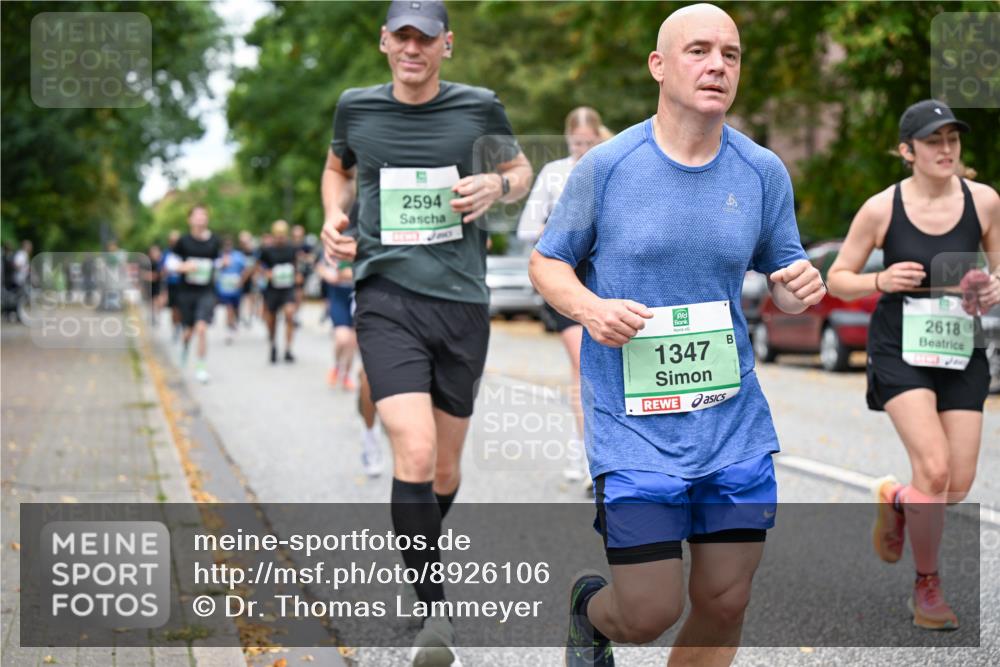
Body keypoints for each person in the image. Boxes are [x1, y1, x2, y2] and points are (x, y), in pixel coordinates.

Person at [528, 5, 826, 665]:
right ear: (659, 66)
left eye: (731, 53)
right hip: (635, 428)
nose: (718, 64)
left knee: (725, 600)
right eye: (699, 50)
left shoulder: (761, 172)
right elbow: (547, 262)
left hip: (732, 424)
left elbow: (780, 268)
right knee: (649, 610)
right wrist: (589, 308)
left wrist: (794, 282)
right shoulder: (607, 167)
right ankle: (590, 613)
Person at [319, 1, 532, 663]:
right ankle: (435, 613)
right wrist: (333, 216)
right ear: (385, 42)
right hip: (385, 298)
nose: (413, 48)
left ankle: (419, 554)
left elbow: (522, 172)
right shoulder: (356, 107)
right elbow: (337, 168)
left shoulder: (479, 107)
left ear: (447, 46)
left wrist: (497, 185)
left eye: (426, 38)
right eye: (402, 36)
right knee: (411, 453)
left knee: (443, 467)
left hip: (463, 304)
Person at [826, 99, 1000, 631]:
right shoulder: (882, 209)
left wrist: (993, 288)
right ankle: (927, 585)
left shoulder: (986, 202)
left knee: (959, 484)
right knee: (935, 467)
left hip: (959, 345)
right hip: (899, 346)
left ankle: (897, 499)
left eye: (952, 139)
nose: (946, 149)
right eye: (933, 141)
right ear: (908, 151)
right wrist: (878, 280)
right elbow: (837, 278)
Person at [517, 106, 613, 488]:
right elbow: (528, 228)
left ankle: (606, 451)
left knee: (609, 372)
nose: (583, 148)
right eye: (577, 142)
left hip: (608, 283)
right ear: (567, 138)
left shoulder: (612, 167)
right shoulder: (555, 174)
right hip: (566, 283)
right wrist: (561, 225)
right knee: (582, 365)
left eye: (590, 142)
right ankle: (587, 455)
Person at [171, 205, 221, 384]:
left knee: (201, 328)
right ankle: (184, 346)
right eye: (197, 216)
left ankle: (201, 368)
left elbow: (217, 261)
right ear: (190, 220)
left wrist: (222, 264)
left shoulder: (214, 240)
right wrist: (185, 267)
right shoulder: (183, 242)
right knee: (189, 332)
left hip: (206, 291)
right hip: (187, 293)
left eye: (203, 216)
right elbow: (170, 265)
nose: (200, 219)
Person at [259, 220, 300, 364]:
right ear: (274, 235)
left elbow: (295, 264)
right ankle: (273, 345)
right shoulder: (266, 250)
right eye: (278, 235)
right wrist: (266, 273)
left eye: (283, 235)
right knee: (272, 320)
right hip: (272, 289)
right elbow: (259, 267)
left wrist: (297, 275)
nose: (281, 238)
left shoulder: (292, 248)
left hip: (287, 288)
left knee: (289, 314)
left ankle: (288, 349)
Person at [216, 237, 247, 345]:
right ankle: (229, 329)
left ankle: (235, 322)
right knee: (228, 307)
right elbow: (214, 268)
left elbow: (245, 269)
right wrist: (221, 264)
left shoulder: (238, 256)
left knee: (235, 307)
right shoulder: (219, 256)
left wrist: (241, 281)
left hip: (236, 286)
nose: (227, 247)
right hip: (224, 287)